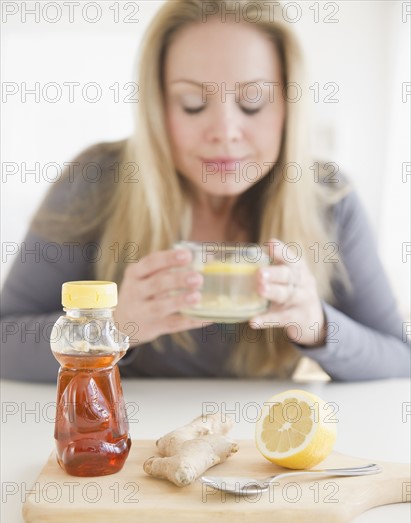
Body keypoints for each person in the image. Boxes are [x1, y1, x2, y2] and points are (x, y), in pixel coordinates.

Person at [1, 0, 409, 382]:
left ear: (289, 104)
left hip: (258, 453)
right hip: (134, 449)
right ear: (158, 106)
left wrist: (317, 323)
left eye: (253, 102)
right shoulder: (94, 181)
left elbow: (400, 358)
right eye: (193, 103)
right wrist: (113, 328)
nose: (225, 133)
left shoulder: (328, 199)